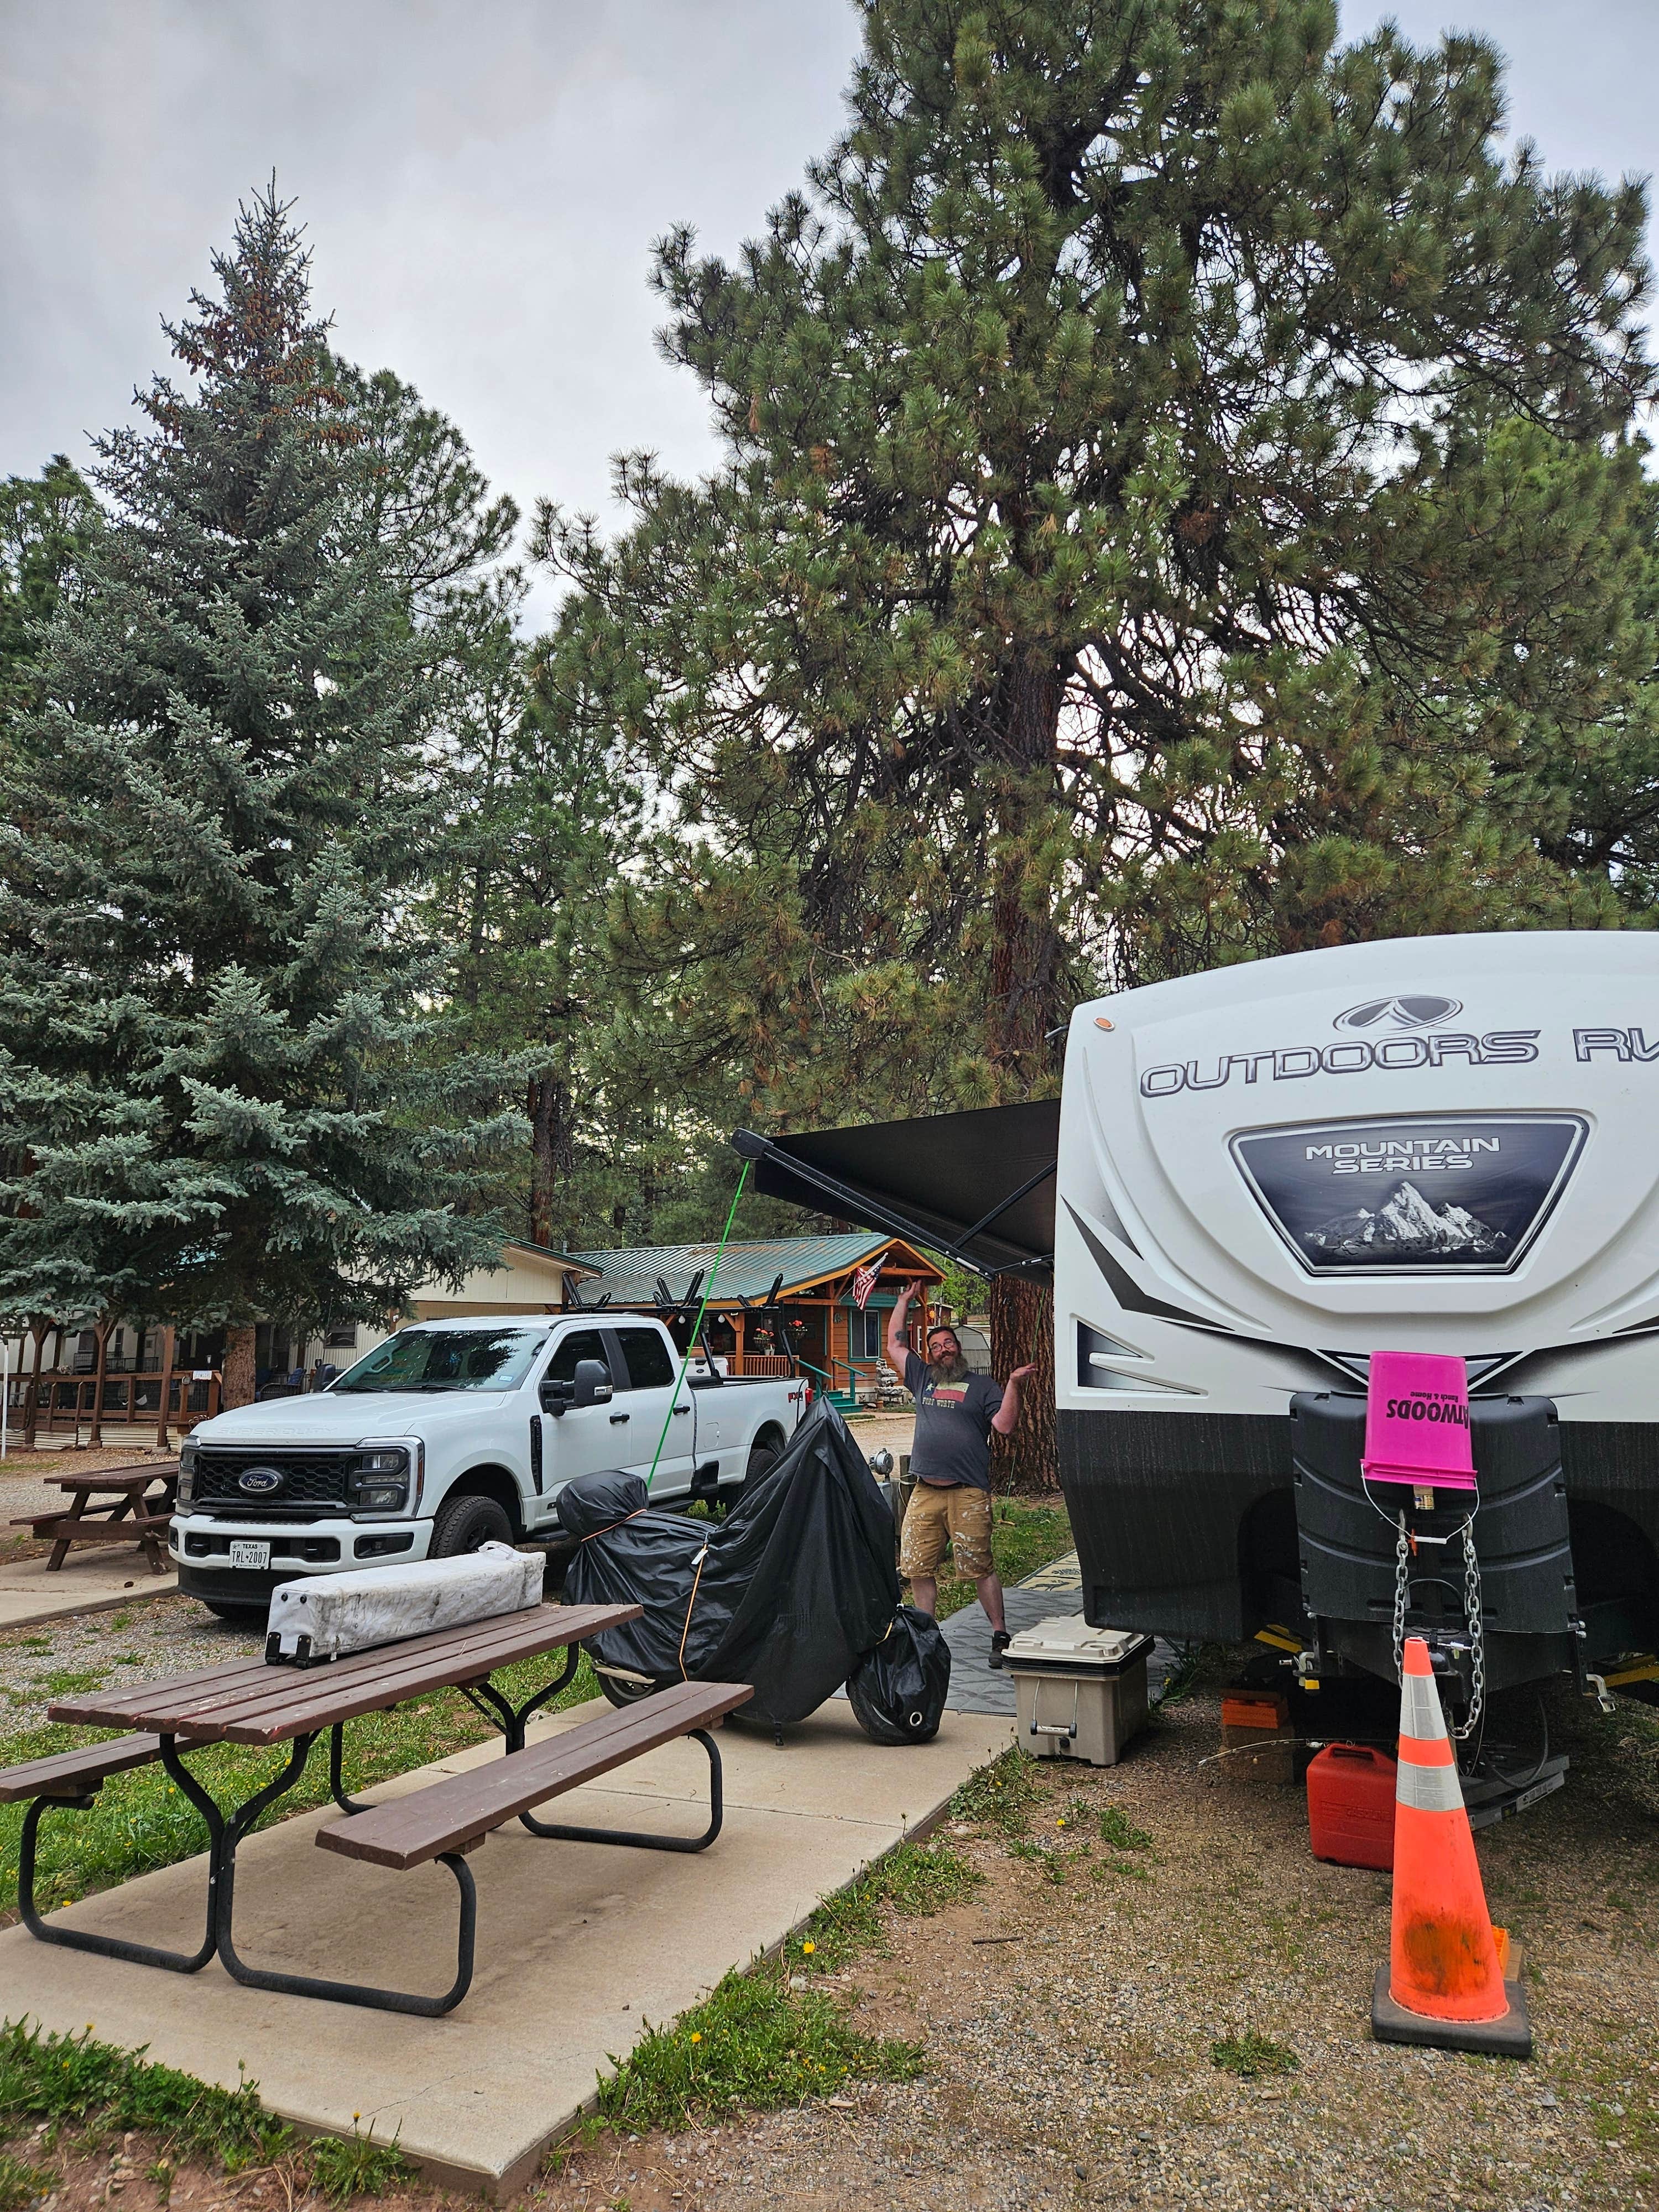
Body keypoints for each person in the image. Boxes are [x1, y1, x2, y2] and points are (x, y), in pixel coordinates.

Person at [885, 1280, 1037, 1668]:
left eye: (948, 1343)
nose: (943, 1349)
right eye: (936, 1346)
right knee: (917, 1566)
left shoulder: (982, 1386)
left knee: (979, 1566)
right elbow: (895, 1345)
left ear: (959, 1348)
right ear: (930, 1355)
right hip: (925, 1490)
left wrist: (1014, 1385)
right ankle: (927, 1637)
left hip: (968, 1491)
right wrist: (903, 1300)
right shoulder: (921, 1377)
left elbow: (1004, 1425)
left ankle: (999, 1633)